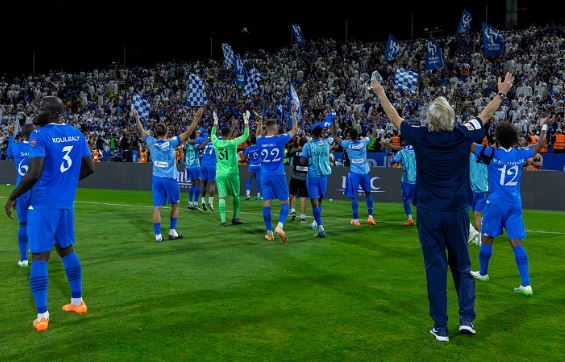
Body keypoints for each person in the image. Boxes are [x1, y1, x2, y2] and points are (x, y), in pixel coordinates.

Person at [371, 72, 515, 342]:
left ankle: (440, 327)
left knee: (435, 268)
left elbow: (394, 118)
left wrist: (380, 92)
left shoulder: (420, 136)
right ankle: (466, 319)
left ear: (430, 119)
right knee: (462, 265)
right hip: (457, 210)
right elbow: (485, 115)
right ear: (451, 117)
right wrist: (502, 92)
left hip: (429, 212)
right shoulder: (463, 134)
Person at [4, 96, 95, 331]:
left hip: (43, 204)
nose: (37, 111)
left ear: (53, 113)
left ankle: (42, 316)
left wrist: (13, 195)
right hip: (65, 203)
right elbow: (89, 167)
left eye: (41, 108)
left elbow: (34, 174)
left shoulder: (39, 135)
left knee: (40, 257)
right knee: (66, 250)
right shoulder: (76, 132)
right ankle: (78, 302)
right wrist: (65, 183)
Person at [470, 118, 552, 296]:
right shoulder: (520, 153)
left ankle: (483, 273)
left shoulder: (491, 153)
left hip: (496, 203)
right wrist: (545, 125)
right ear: (514, 139)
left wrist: (463, 129)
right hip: (515, 204)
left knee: (487, 237)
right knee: (516, 242)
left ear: (497, 138)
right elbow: (539, 145)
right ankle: (526, 284)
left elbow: (469, 145)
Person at [134, 107, 203, 242]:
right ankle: (172, 231)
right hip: (170, 179)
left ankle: (158, 236)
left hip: (156, 179)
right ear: (167, 132)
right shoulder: (172, 142)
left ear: (156, 133)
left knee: (157, 208)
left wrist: (136, 117)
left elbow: (141, 131)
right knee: (175, 205)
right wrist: (197, 118)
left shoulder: (151, 142)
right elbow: (189, 132)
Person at [255, 107, 298, 242]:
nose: (278, 128)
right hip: (278, 174)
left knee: (266, 203)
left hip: (265, 176)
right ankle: (279, 226)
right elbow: (294, 130)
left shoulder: (260, 141)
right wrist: (292, 114)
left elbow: (257, 133)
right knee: (285, 202)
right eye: (277, 126)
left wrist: (259, 122)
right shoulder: (279, 139)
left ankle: (269, 233)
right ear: (273, 128)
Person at [332, 119, 377, 226]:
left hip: (354, 173)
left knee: (354, 196)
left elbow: (334, 136)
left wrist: (334, 123)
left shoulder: (347, 144)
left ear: (350, 136)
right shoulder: (363, 142)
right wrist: (375, 122)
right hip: (365, 172)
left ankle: (356, 220)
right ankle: (370, 217)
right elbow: (373, 134)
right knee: (368, 193)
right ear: (358, 135)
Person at [211, 111, 250, 225]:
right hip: (232, 173)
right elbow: (246, 135)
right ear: (230, 135)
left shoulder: (216, 142)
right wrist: (246, 121)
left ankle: (223, 220)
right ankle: (235, 218)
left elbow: (212, 134)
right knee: (236, 195)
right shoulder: (233, 143)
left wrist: (215, 122)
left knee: (222, 197)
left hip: (220, 174)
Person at [6, 123, 35, 267]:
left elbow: (8, 154)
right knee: (36, 222)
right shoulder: (37, 147)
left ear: (22, 134)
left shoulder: (16, 147)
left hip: (21, 190)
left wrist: (11, 135)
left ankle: (23, 259)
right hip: (36, 189)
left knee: (23, 223)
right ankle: (36, 249)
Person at [301, 125, 334, 238]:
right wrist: (333, 121)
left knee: (314, 203)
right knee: (319, 200)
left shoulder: (308, 145)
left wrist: (308, 159)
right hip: (324, 176)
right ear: (321, 134)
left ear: (312, 134)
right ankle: (316, 222)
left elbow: (302, 160)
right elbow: (333, 136)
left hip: (313, 176)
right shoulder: (326, 143)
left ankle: (321, 228)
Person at [389, 144, 417, 226]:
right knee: (417, 201)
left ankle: (410, 219)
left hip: (406, 181)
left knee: (405, 199)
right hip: (417, 180)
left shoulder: (401, 152)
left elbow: (393, 162)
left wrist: (391, 160)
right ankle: (422, 220)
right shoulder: (418, 150)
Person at [468, 151, 488, 245]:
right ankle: (480, 238)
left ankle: (471, 232)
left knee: (462, 213)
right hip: (482, 189)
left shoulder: (470, 155)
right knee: (477, 215)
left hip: (471, 189)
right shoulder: (487, 156)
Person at [288, 137, 309, 223]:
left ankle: (293, 211)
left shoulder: (295, 151)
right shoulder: (308, 153)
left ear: (299, 143)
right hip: (304, 178)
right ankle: (302, 217)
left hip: (294, 177)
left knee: (292, 194)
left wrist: (295, 146)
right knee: (303, 198)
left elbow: (288, 153)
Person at [185, 130, 206, 211]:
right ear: (195, 136)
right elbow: (201, 146)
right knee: (198, 185)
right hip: (195, 166)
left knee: (193, 185)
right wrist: (206, 138)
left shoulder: (186, 143)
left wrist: (197, 133)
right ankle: (196, 204)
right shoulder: (196, 144)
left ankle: (190, 203)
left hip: (188, 166)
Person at [199, 133, 216, 211]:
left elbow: (198, 145)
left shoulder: (205, 141)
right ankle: (210, 203)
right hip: (212, 164)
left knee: (203, 184)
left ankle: (203, 202)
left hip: (203, 164)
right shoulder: (217, 141)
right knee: (212, 183)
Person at [243, 136, 262, 201]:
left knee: (249, 179)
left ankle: (248, 195)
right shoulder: (259, 146)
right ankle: (258, 196)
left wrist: (248, 160)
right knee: (258, 180)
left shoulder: (248, 148)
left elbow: (244, 158)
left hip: (252, 166)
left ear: (251, 141)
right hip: (259, 166)